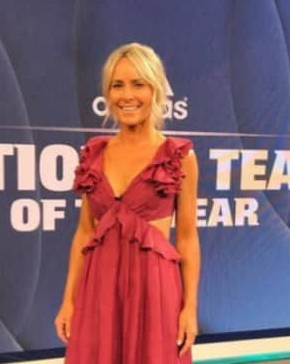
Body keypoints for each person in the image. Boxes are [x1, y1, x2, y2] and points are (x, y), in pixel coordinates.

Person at [55, 42, 200, 364]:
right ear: (107, 93)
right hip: (99, 289)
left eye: (138, 84)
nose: (127, 95)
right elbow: (84, 233)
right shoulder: (93, 154)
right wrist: (69, 300)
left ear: (155, 89)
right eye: (117, 85)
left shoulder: (179, 157)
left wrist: (190, 307)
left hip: (155, 292)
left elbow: (187, 238)